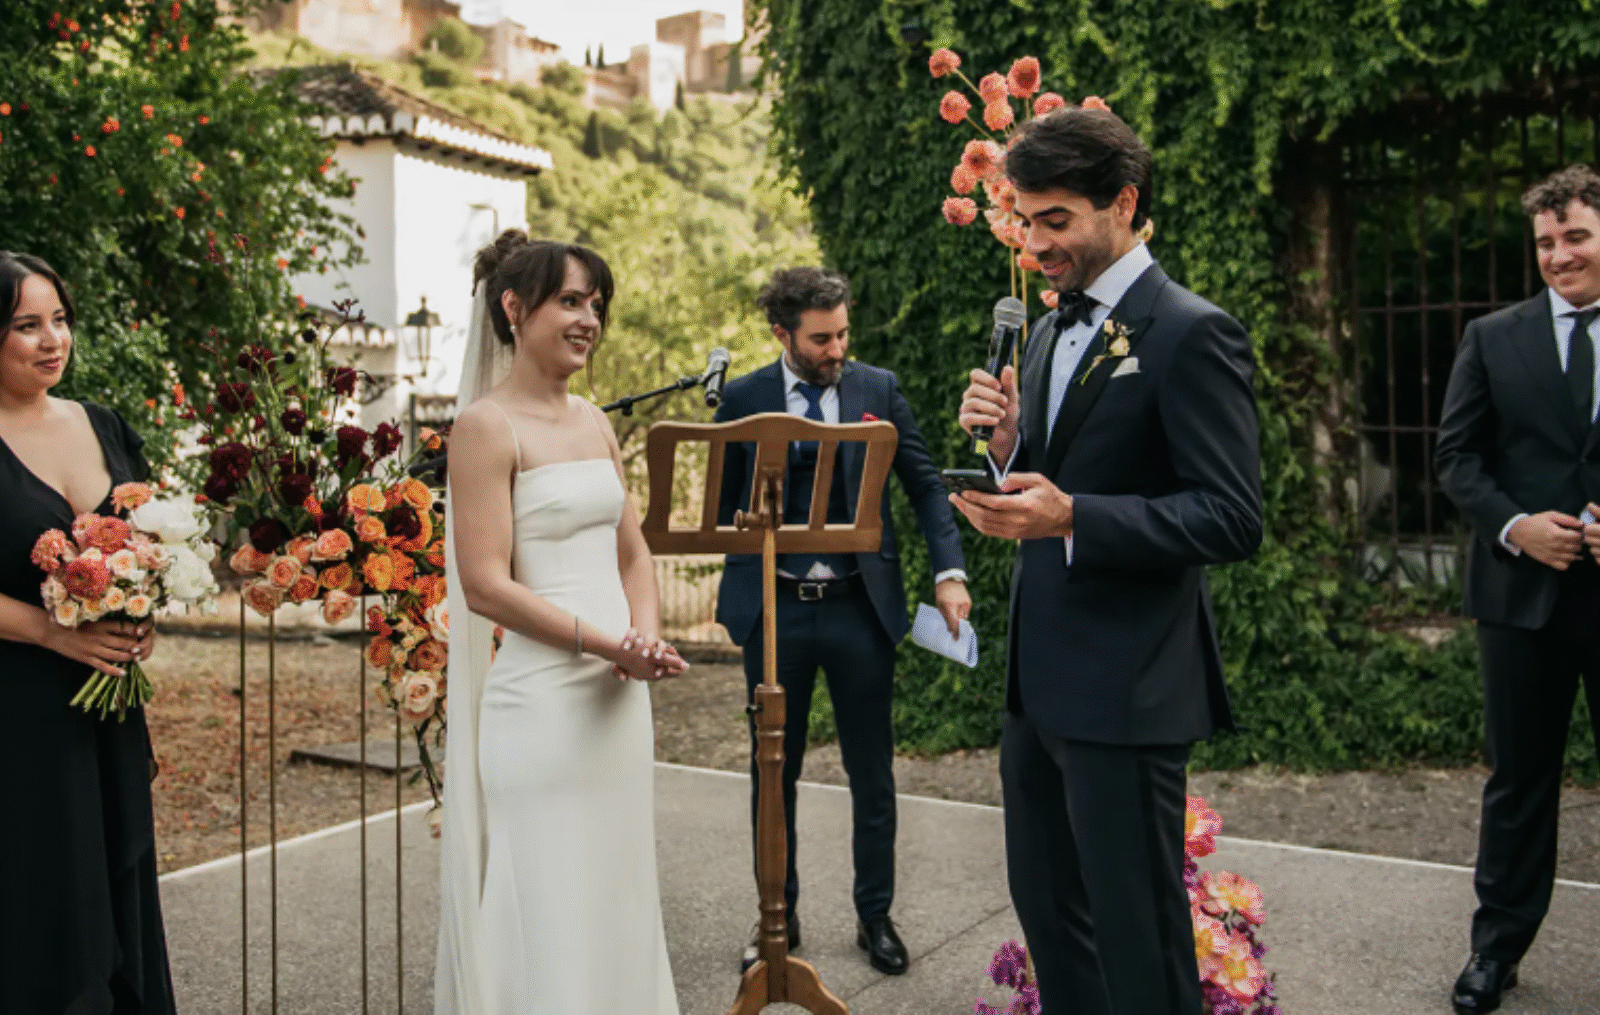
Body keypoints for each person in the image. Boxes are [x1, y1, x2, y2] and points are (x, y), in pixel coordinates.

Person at [954, 105, 1262, 1015]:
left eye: (1056, 220)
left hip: (1130, 689)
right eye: (1025, 220)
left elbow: (1231, 516)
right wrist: (1007, 452)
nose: (1035, 243)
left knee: (1139, 941)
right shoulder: (1048, 332)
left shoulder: (1193, 332)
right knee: (1052, 921)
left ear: (1123, 203)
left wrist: (1074, 516)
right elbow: (1055, 477)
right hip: (1037, 686)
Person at [434, 231, 687, 1015]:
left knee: (616, 888)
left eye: (596, 305)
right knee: (545, 900)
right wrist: (608, 642)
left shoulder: (595, 422)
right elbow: (485, 584)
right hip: (540, 703)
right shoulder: (485, 427)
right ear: (514, 308)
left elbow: (633, 551)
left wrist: (644, 635)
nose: (588, 320)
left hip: (616, 700)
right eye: (570, 301)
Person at [714, 266, 970, 976]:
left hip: (861, 607)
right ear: (782, 334)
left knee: (872, 773)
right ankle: (779, 916)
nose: (837, 350)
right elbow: (722, 506)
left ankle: (874, 917)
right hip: (776, 612)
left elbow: (925, 486)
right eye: (821, 339)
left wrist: (949, 573)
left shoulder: (876, 390)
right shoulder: (743, 399)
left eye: (843, 334)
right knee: (773, 773)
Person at [1436, 165, 1600, 1014]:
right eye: (1545, 242)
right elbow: (1456, 457)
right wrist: (1515, 525)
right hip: (1519, 597)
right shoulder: (1493, 337)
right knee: (1518, 781)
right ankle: (1495, 949)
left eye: (1576, 236)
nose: (1559, 255)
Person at [0, 251, 175, 1014]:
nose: (53, 340)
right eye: (27, 325)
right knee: (41, 903)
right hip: (18, 715)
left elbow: (153, 540)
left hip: (106, 709)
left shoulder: (101, 424)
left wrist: (143, 611)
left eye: (60, 319)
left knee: (113, 898)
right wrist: (51, 632)